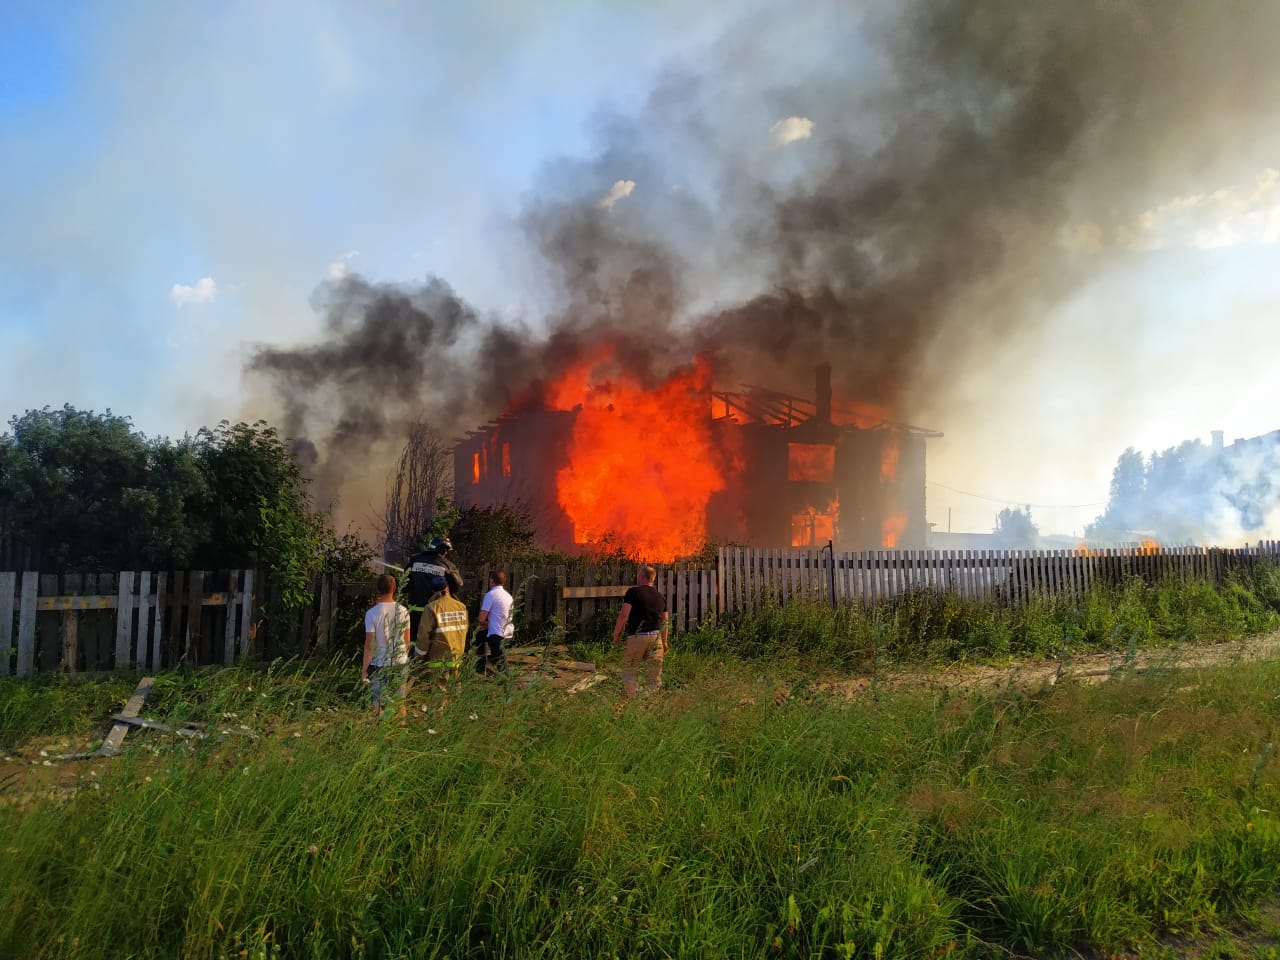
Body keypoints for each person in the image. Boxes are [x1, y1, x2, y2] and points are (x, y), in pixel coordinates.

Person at [612, 565, 670, 701]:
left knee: (629, 671)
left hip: (638, 638)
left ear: (643, 577)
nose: (637, 577)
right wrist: (664, 641)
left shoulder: (633, 592)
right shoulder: (660, 597)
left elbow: (624, 616)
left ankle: (632, 698)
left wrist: (616, 635)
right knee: (654, 675)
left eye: (638, 575)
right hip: (656, 639)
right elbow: (665, 621)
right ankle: (649, 702)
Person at [362, 574, 411, 720]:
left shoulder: (371, 613)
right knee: (399, 700)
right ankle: (400, 726)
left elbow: (369, 645)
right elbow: (407, 640)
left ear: (378, 589)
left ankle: (378, 728)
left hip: (379, 662)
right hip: (400, 660)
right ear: (394, 588)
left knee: (377, 699)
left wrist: (364, 671)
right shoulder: (403, 611)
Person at [405, 535, 464, 648]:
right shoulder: (447, 565)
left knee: (415, 639)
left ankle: (413, 662)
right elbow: (458, 585)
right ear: (443, 550)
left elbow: (405, 581)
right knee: (433, 640)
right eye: (446, 551)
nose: (446, 554)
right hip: (435, 610)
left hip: (415, 609)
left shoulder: (415, 559)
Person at [413, 582, 470, 697]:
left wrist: (418, 658)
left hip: (439, 661)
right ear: (448, 588)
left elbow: (423, 637)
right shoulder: (461, 607)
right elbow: (464, 631)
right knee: (455, 695)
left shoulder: (431, 608)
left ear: (433, 592)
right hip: (456, 659)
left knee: (438, 699)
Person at [475, 570, 515, 676]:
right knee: (480, 636)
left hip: (496, 634)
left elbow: (481, 619)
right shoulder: (508, 596)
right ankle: (481, 666)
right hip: (508, 632)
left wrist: (486, 624)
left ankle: (506, 684)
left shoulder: (491, 595)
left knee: (501, 662)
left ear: (491, 581)